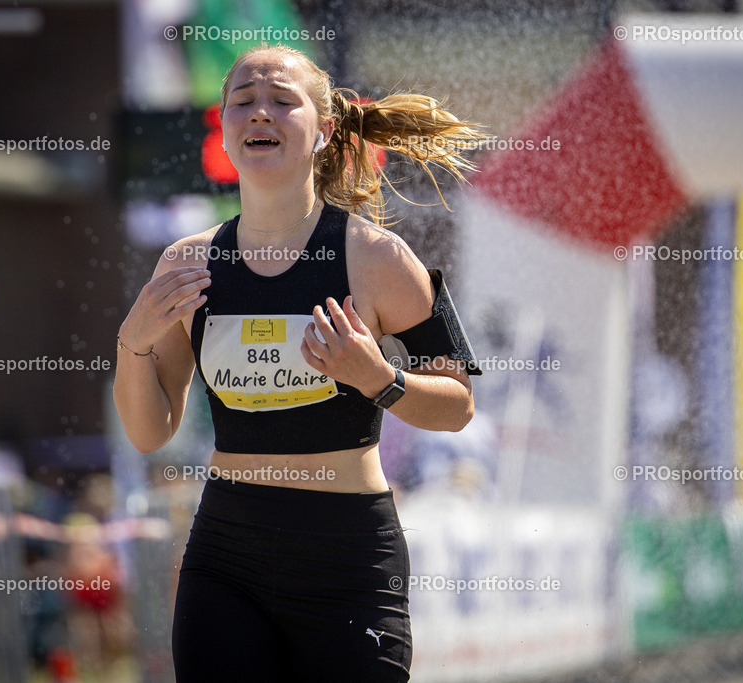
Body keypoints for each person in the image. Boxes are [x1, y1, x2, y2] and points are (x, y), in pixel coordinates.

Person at [113, 43, 484, 682]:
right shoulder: (186, 264)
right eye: (243, 102)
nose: (261, 113)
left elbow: (459, 408)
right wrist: (132, 343)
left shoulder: (378, 258)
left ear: (324, 131)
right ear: (223, 129)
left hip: (347, 558)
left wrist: (380, 379)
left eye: (283, 102)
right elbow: (151, 432)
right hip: (226, 560)